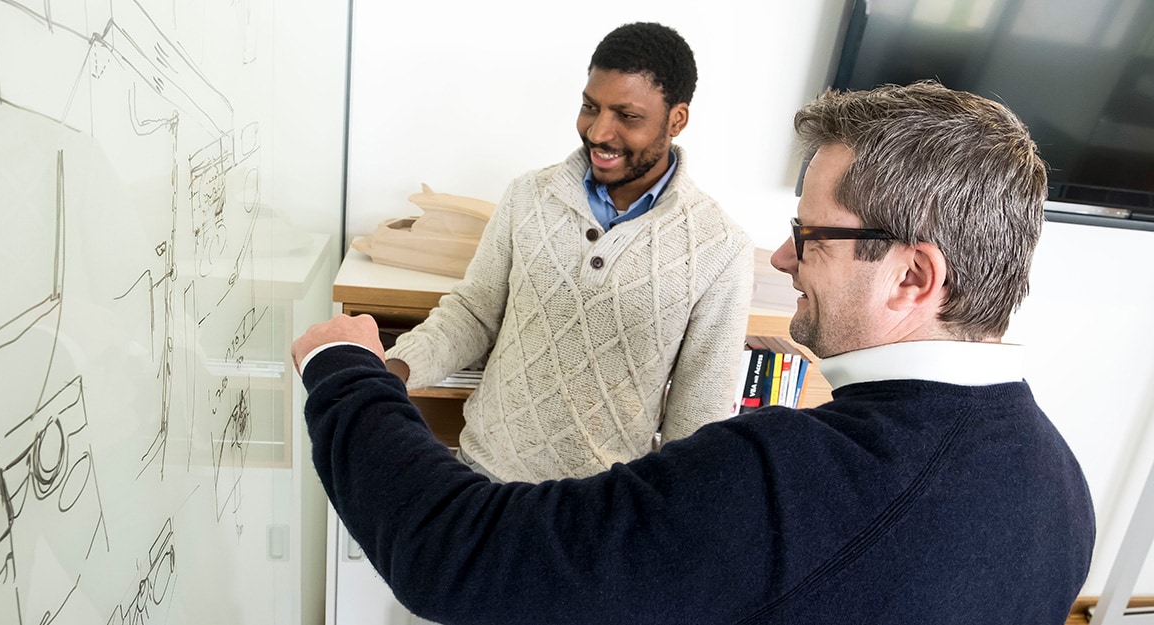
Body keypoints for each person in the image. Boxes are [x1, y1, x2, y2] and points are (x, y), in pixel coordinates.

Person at [293, 81, 1095, 624]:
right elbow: (475, 308)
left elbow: (457, 551)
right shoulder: (1063, 488)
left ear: (913, 276)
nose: (781, 260)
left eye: (808, 236)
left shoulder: (778, 481)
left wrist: (343, 375)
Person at [381, 22, 754, 483]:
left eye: (627, 116)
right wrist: (389, 372)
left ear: (676, 120)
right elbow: (475, 314)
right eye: (590, 107)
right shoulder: (527, 196)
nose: (599, 131)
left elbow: (699, 415)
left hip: (600, 509)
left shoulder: (720, 248)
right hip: (481, 475)